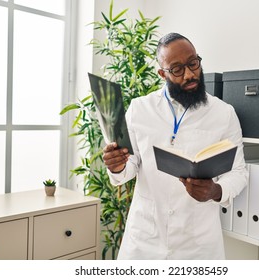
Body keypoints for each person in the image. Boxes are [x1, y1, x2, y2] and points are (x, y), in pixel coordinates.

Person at [102, 32, 248, 259]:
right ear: (163, 73)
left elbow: (239, 172)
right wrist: (117, 166)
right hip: (145, 239)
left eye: (193, 63)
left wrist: (216, 191)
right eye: (178, 69)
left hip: (197, 244)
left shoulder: (223, 113)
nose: (190, 74)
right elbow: (131, 166)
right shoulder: (140, 109)